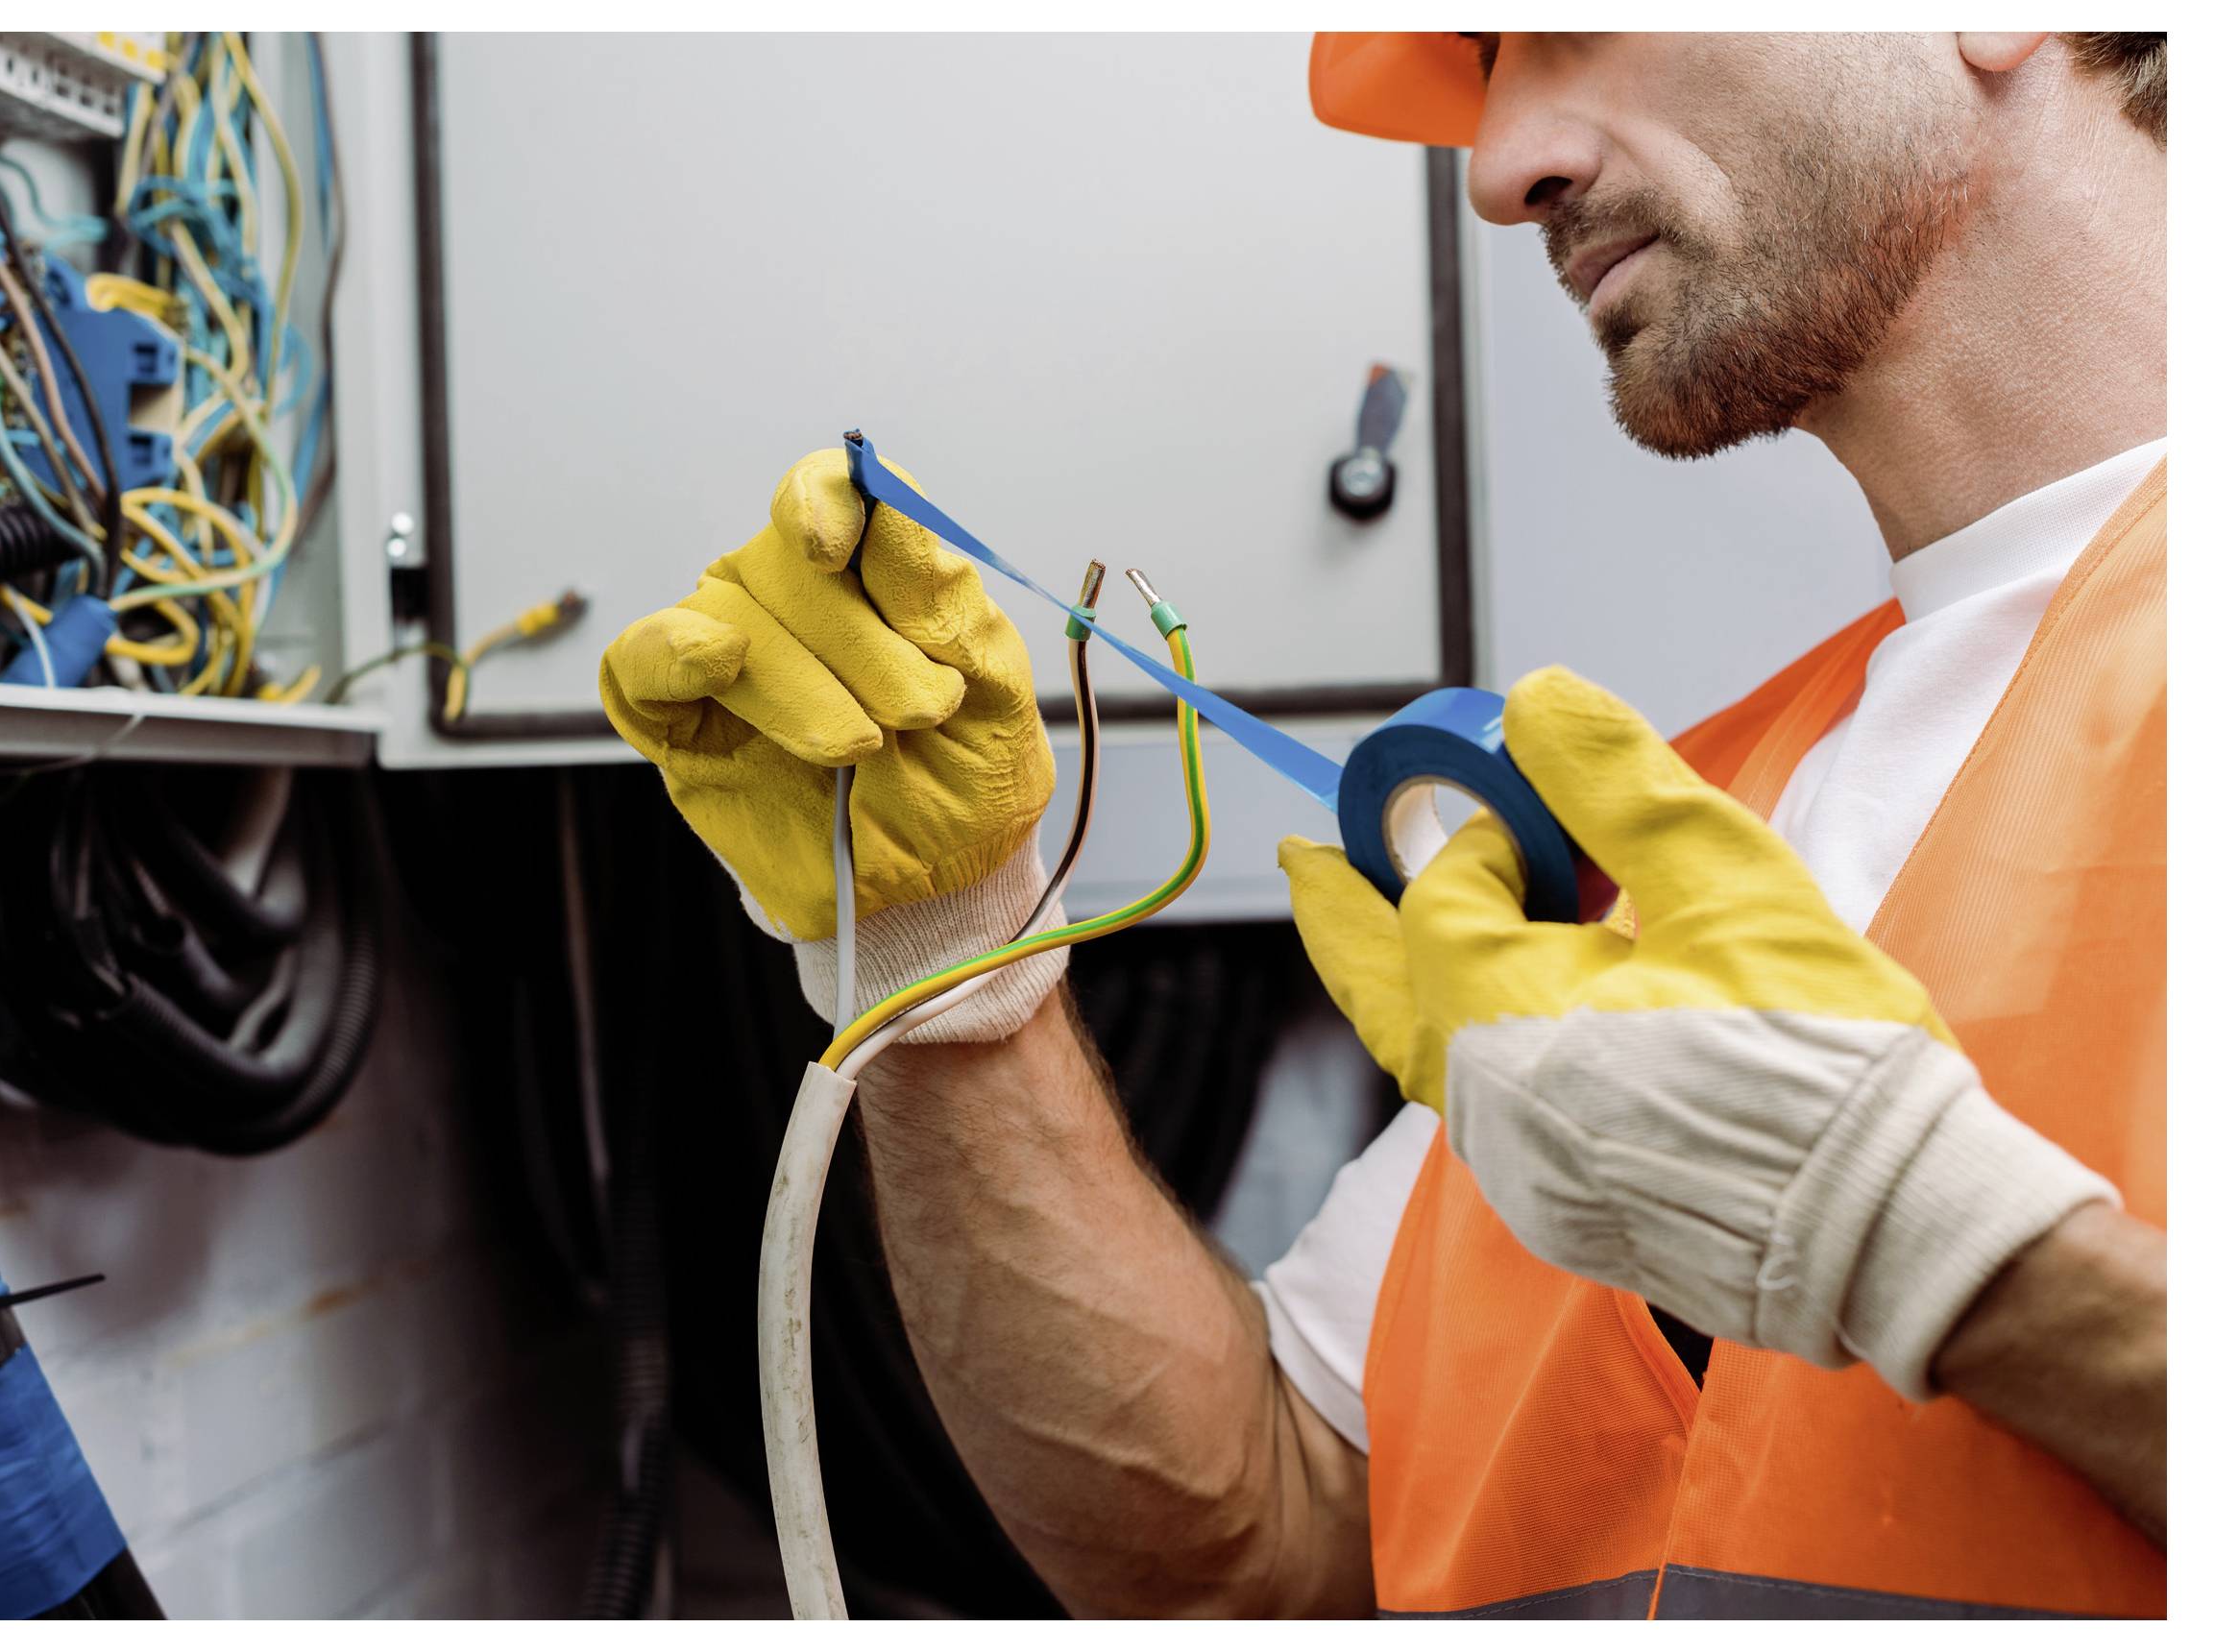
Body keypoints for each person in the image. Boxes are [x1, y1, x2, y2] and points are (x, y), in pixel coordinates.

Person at [599, 32, 2165, 1619]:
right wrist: (954, 957)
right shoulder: (1704, 819)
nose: (1498, 172)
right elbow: (1255, 1538)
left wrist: (1950, 1251)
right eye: (1486, 74)